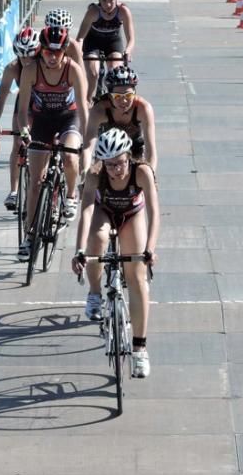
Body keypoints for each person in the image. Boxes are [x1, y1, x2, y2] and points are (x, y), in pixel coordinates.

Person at [72, 128, 159, 378]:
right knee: (96, 240)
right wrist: (79, 250)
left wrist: (150, 248)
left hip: (133, 215)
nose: (116, 170)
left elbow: (154, 213)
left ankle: (140, 349)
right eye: (110, 165)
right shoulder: (95, 174)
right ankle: (95, 293)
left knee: (137, 276)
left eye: (120, 163)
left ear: (128, 157)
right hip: (105, 211)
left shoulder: (141, 172)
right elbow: (86, 212)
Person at [16, 26, 88, 259]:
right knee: (36, 184)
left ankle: (70, 197)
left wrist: (86, 141)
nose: (53, 57)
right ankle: (29, 236)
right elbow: (22, 109)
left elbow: (84, 110)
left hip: (69, 117)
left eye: (58, 52)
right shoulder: (30, 70)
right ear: (41, 51)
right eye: (48, 52)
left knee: (69, 155)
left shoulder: (73, 70)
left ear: (65, 51)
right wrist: (24, 131)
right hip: (43, 120)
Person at [0, 27, 40, 209]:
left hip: (44, 104)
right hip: (25, 104)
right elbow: (2, 97)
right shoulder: (12, 68)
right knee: (18, 143)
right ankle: (14, 191)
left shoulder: (45, 62)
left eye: (30, 56)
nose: (26, 60)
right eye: (22, 56)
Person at [84, 65, 157, 174]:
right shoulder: (99, 110)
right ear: (109, 96)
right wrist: (85, 171)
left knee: (143, 176)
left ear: (134, 93)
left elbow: (150, 151)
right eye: (118, 96)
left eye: (128, 96)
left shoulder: (143, 108)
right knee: (96, 179)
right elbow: (88, 147)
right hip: (108, 152)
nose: (124, 101)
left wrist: (150, 175)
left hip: (134, 148)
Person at [75, 0, 136, 102]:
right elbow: (80, 37)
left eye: (111, 0)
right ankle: (88, 101)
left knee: (115, 71)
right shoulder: (93, 12)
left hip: (113, 41)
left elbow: (131, 39)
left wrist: (128, 51)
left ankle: (113, 100)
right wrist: (79, 51)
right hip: (93, 41)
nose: (108, 5)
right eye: (104, 1)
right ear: (99, 0)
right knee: (93, 74)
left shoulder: (123, 11)